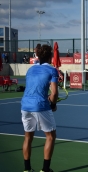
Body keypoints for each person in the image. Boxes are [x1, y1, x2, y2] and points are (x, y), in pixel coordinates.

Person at [21, 44, 59, 172]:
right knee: (50, 136)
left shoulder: (30, 70)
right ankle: (45, 169)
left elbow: (34, 87)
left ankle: (27, 169)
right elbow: (54, 93)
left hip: (25, 105)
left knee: (28, 137)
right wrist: (53, 105)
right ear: (50, 57)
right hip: (40, 105)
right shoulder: (52, 70)